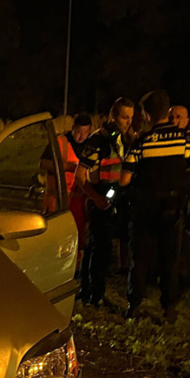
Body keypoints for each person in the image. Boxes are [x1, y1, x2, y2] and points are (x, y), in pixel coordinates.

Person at [120, 90, 190, 321]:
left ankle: (134, 304)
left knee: (139, 259)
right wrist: (179, 184)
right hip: (173, 208)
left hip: (144, 209)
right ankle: (169, 307)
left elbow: (124, 180)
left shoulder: (141, 142)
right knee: (171, 259)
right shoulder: (187, 140)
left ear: (147, 115)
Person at [77, 97, 134, 307]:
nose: (127, 122)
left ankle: (90, 291)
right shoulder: (98, 140)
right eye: (124, 117)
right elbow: (80, 175)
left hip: (117, 199)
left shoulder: (126, 139)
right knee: (99, 250)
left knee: (101, 248)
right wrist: (97, 199)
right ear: (112, 116)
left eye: (130, 118)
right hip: (101, 198)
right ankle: (93, 294)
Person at [41, 114, 92, 260]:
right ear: (72, 128)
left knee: (78, 233)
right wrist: (65, 166)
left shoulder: (91, 145)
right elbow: (43, 163)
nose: (81, 137)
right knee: (56, 234)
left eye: (85, 133)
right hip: (58, 198)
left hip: (78, 199)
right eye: (78, 132)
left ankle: (76, 263)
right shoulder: (60, 142)